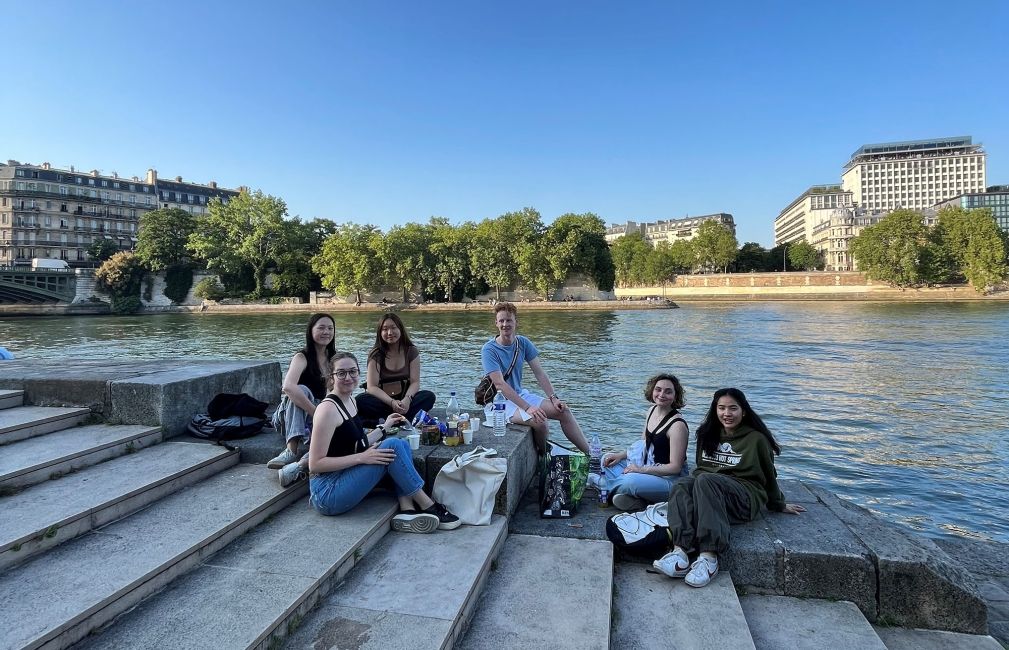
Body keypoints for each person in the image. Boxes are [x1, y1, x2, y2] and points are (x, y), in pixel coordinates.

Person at [278, 352, 460, 533]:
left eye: (353, 372)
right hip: (327, 493)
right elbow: (315, 464)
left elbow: (357, 442)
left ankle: (407, 509)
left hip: (344, 475)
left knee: (401, 443)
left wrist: (385, 427)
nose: (348, 377)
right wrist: (361, 458)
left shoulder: (350, 400)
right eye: (341, 373)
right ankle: (428, 505)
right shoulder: (327, 410)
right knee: (393, 446)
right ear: (331, 378)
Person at [652, 388, 805, 588]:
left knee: (706, 480)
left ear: (744, 411)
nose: (727, 413)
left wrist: (778, 503)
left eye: (733, 408)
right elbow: (701, 470)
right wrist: (691, 498)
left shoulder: (756, 439)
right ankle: (680, 552)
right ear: (715, 410)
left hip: (743, 497)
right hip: (712, 494)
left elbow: (769, 475)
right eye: (722, 408)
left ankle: (709, 557)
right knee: (682, 483)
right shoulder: (707, 434)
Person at [480, 302, 589, 454]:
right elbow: (500, 385)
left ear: (516, 322)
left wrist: (553, 398)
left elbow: (540, 373)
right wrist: (528, 408)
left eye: (509, 320)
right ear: (496, 323)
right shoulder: (489, 349)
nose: (505, 324)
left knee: (564, 411)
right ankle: (543, 457)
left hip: (520, 395)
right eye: (502, 321)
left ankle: (592, 456)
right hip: (500, 403)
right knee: (540, 420)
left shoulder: (523, 343)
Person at [601, 373, 689, 512]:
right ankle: (639, 501)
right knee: (605, 459)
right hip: (650, 467)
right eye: (658, 389)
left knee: (630, 481)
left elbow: (675, 468)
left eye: (668, 391)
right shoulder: (652, 410)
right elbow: (643, 445)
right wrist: (620, 455)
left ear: (675, 396)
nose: (662, 394)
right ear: (652, 390)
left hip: (670, 480)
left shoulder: (678, 426)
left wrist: (640, 470)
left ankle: (604, 487)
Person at [267, 313, 337, 470]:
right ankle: (291, 450)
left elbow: (334, 391)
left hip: (315, 417)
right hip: (290, 416)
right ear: (311, 331)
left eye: (330, 328)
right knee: (300, 389)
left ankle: (304, 461)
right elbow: (288, 387)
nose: (326, 332)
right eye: (321, 328)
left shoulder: (333, 358)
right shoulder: (302, 357)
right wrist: (316, 412)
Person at [355, 313, 436, 427]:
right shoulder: (376, 354)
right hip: (384, 401)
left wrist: (407, 401)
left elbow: (415, 382)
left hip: (404, 400)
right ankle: (401, 420)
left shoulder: (411, 351)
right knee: (360, 400)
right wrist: (392, 402)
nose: (389, 333)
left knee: (428, 396)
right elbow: (371, 386)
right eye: (385, 329)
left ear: (400, 329)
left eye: (393, 328)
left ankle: (388, 421)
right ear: (380, 333)